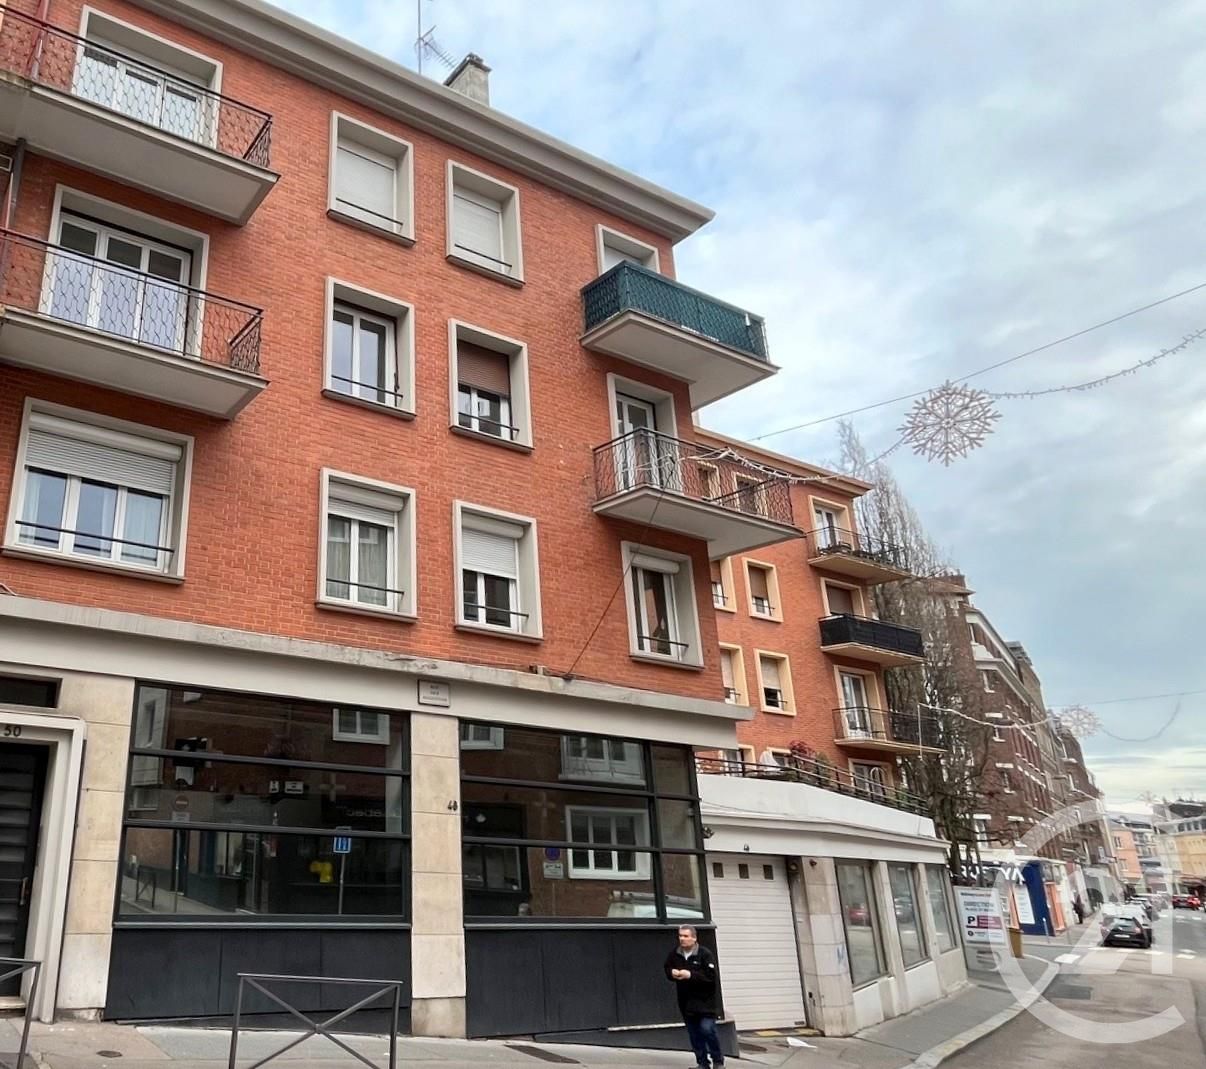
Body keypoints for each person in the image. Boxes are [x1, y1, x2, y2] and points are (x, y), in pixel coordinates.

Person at [664, 925, 724, 1069]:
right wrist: (671, 973)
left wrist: (690, 975)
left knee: (707, 1029)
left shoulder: (704, 954)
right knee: (694, 1034)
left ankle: (718, 1061)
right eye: (680, 936)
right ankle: (702, 1062)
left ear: (694, 938)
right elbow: (667, 967)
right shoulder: (675, 954)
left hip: (705, 1003)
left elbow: (710, 977)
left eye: (685, 936)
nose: (682, 939)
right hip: (686, 1002)